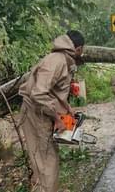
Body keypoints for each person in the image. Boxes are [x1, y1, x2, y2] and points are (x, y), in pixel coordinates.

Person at [19, 30, 85, 192]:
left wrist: (68, 110)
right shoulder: (57, 61)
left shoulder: (63, 60)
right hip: (36, 113)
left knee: (45, 159)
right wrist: (57, 118)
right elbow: (38, 93)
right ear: (78, 48)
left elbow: (54, 93)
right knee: (47, 161)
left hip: (42, 111)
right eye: (82, 50)